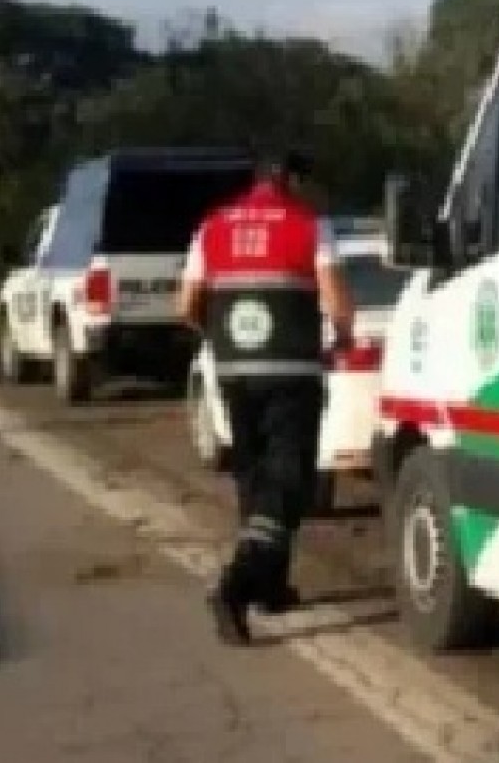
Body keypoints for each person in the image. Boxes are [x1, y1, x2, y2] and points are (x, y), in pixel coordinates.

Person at [178, 151, 351, 645]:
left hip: (234, 371)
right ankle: (236, 586)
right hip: (292, 372)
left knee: (254, 477)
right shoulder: (309, 225)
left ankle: (271, 584)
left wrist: (222, 338)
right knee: (290, 481)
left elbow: (185, 306)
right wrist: (339, 337)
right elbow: (337, 301)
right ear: (291, 181)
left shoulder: (211, 227)